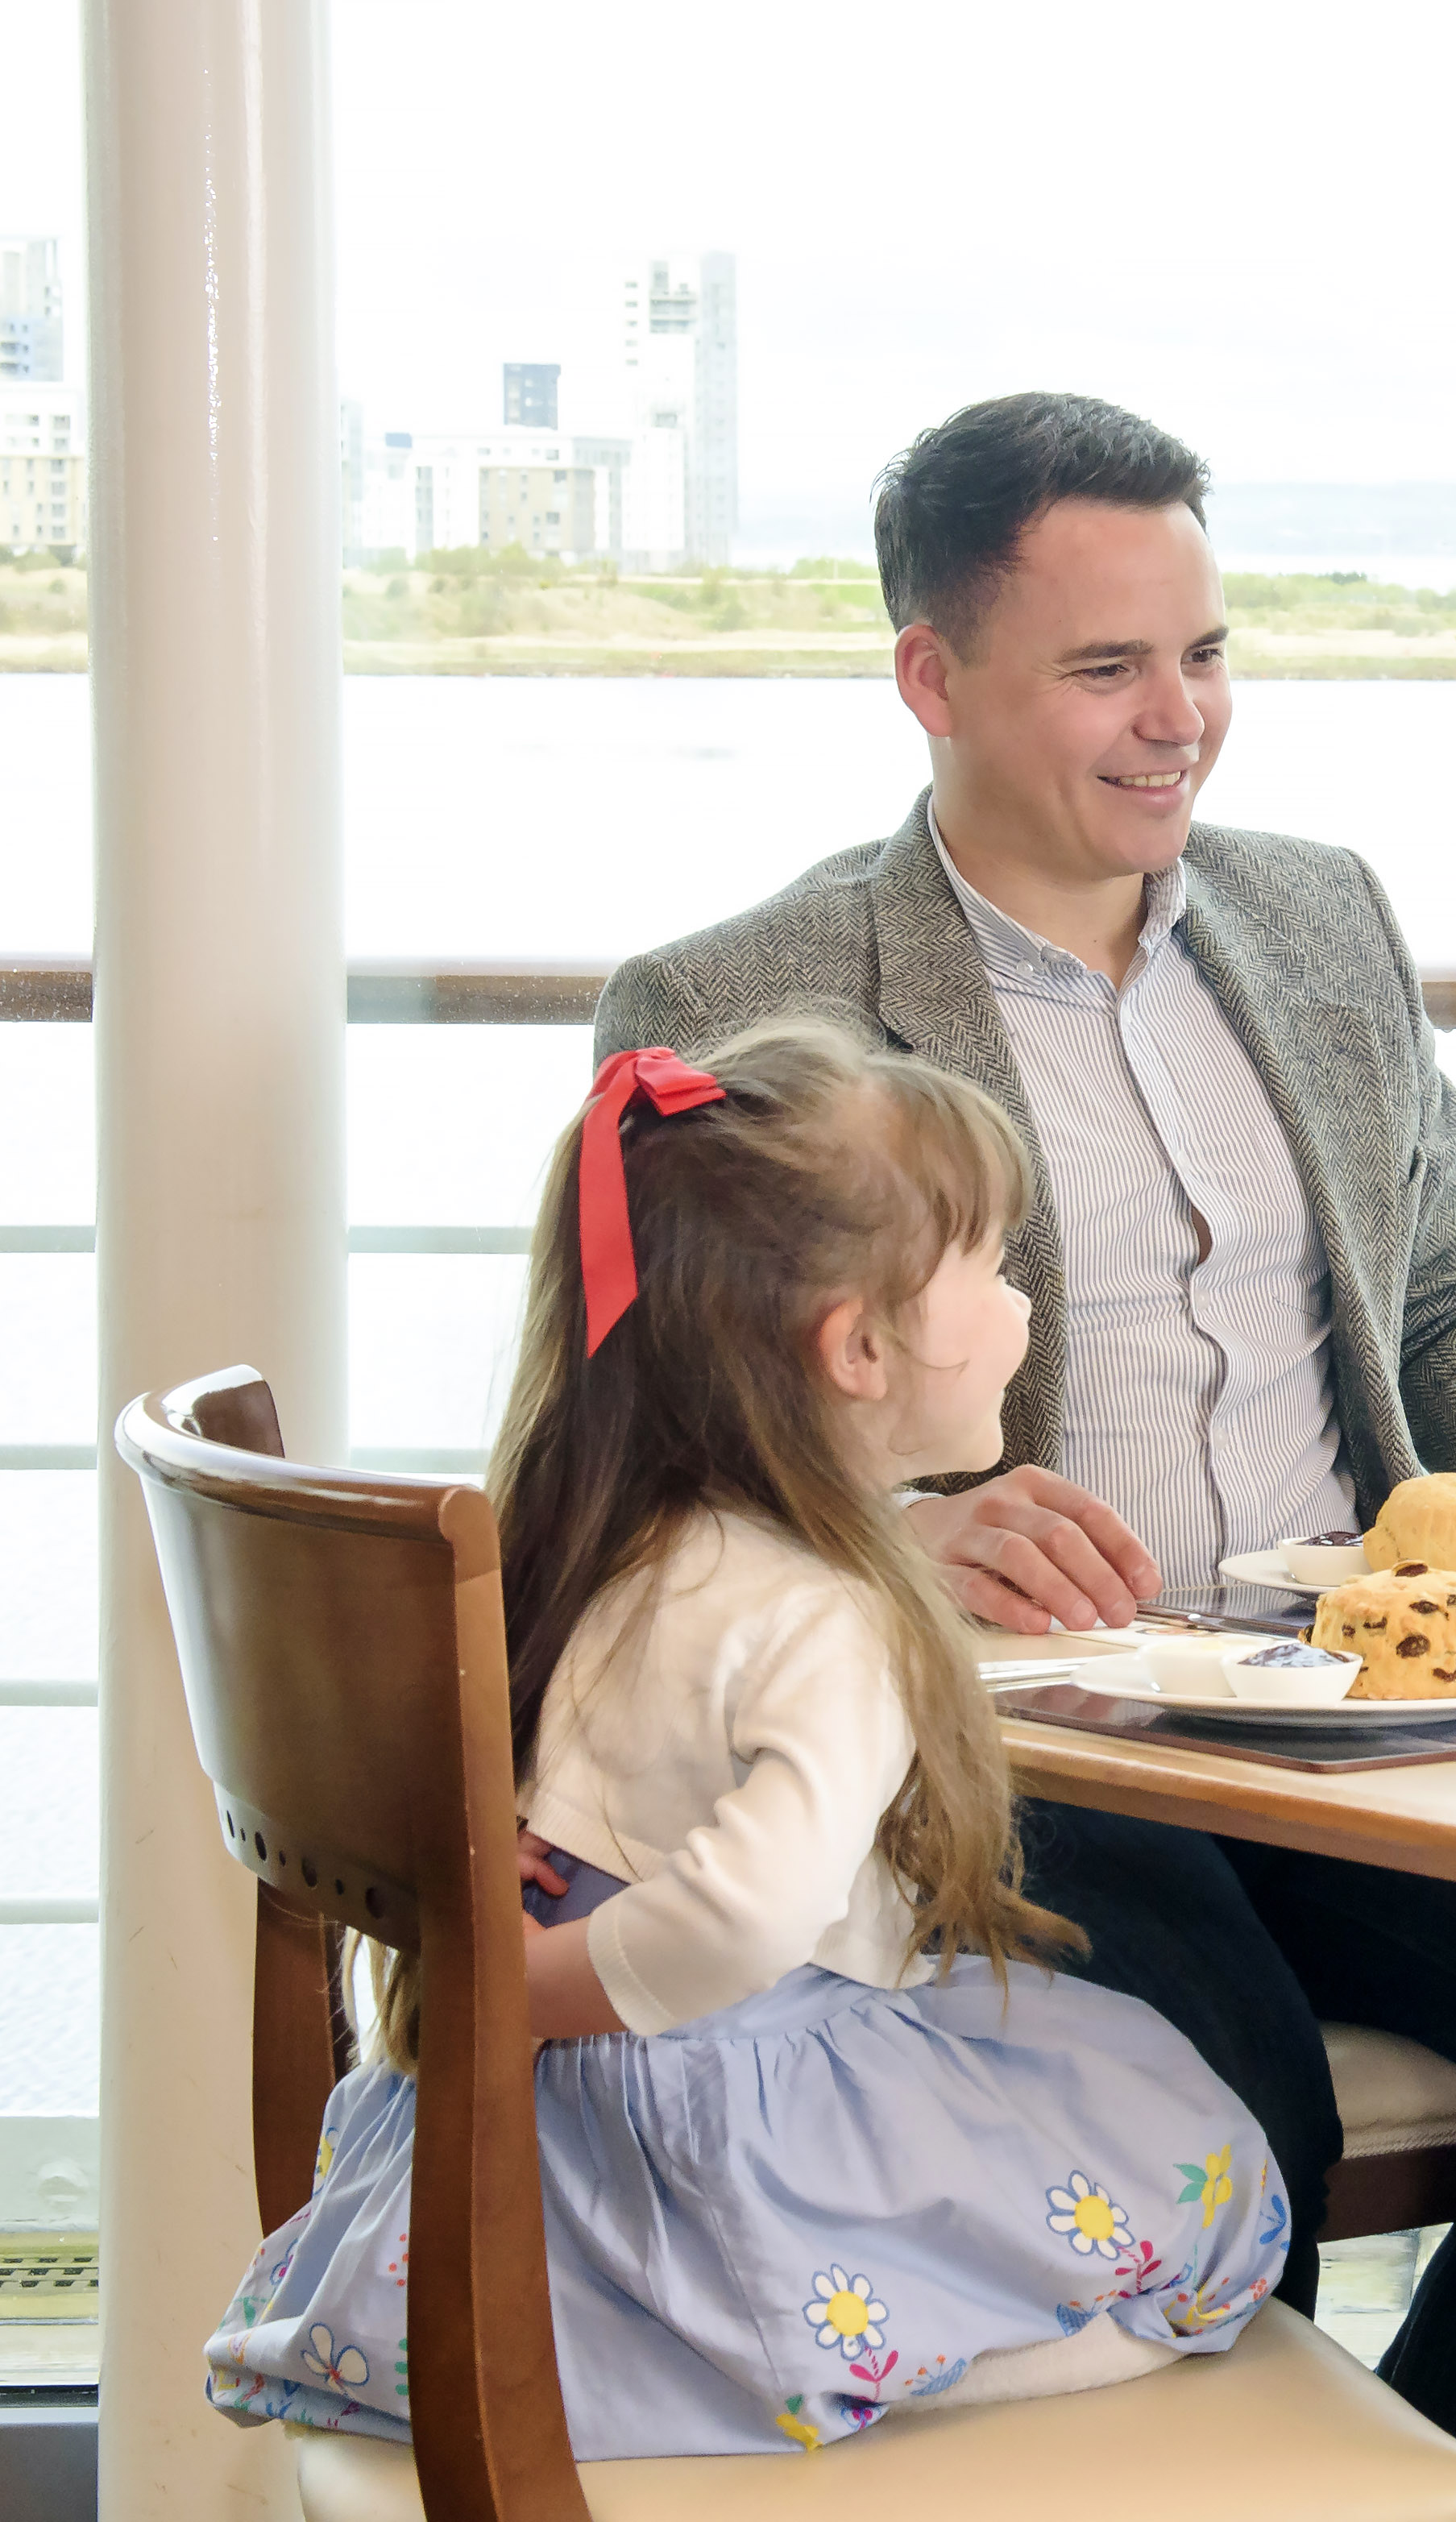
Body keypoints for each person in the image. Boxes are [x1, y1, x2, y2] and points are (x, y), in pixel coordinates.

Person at [591, 394, 1456, 2516]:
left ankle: (1430, 2487)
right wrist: (904, 1530)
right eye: (1106, 667)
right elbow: (657, 1447)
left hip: (1380, 1721)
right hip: (1023, 1761)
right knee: (1222, 2102)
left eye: (1202, 653)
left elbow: (1446, 1281)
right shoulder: (736, 993)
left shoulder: (1324, 917)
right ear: (931, 676)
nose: (1176, 717)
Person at [209, 1022, 1292, 2455]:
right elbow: (744, 1915)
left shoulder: (615, 1533)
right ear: (855, 1348)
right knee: (1213, 2160)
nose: (1025, 1311)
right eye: (993, 1272)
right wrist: (515, 1988)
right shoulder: (830, 1616)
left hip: (549, 2122)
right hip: (719, 2114)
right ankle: (887, 2362)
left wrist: (495, 1987)